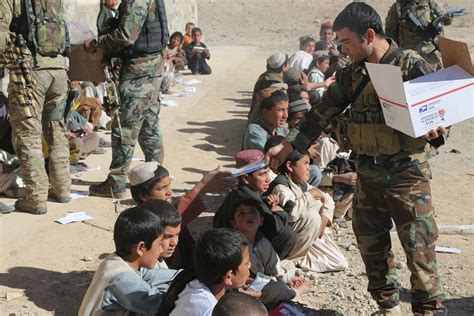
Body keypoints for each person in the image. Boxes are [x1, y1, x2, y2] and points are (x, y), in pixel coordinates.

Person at [278, 2, 447, 314]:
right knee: (372, 244)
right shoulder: (351, 75)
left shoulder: (411, 65)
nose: (342, 49)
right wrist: (289, 145)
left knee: (419, 248)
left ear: (369, 35)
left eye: (346, 42)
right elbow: (319, 114)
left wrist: (437, 127)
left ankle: (428, 310)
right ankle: (387, 306)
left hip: (407, 175)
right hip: (367, 173)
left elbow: (442, 115)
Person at [86, 0, 169, 198]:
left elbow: (126, 35)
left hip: (140, 70)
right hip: (151, 67)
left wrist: (99, 44)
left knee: (125, 127)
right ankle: (156, 176)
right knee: (148, 122)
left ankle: (116, 182)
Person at [8, 0, 71, 214]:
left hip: (30, 71)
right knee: (57, 131)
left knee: (29, 135)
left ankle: (35, 198)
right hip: (59, 69)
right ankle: (62, 189)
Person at [128, 161, 235, 268]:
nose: (169, 192)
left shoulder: (161, 209)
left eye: (168, 185)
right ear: (143, 196)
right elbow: (179, 211)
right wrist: (202, 186)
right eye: (161, 188)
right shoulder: (144, 220)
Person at [79, 206, 179, 315]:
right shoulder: (121, 280)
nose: (160, 250)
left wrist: (190, 275)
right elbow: (160, 305)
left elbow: (160, 276)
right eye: (159, 244)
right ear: (140, 248)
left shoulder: (122, 261)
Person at [270, 149, 348, 273]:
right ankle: (291, 260)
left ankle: (302, 256)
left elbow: (328, 199)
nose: (309, 168)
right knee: (312, 216)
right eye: (305, 163)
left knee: (339, 262)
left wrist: (324, 218)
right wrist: (311, 195)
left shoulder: (302, 184)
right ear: (290, 166)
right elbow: (292, 214)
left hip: (304, 235)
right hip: (286, 240)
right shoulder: (281, 186)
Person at [214, 149, 296, 260]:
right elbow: (274, 227)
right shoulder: (246, 196)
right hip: (233, 250)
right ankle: (267, 266)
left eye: (267, 172)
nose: (267, 179)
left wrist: (267, 202)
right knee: (287, 234)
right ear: (245, 178)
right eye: (262, 174)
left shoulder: (242, 191)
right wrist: (280, 211)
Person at [230, 198, 310, 305]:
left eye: (252, 212)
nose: (248, 216)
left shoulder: (263, 242)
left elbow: (273, 266)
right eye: (242, 213)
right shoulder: (235, 246)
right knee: (277, 288)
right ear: (234, 223)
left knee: (288, 264)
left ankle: (287, 280)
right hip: (246, 286)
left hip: (264, 276)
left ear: (261, 220)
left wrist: (285, 277)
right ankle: (294, 292)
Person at [158, 228, 253, 316]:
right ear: (229, 276)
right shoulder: (208, 310)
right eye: (246, 263)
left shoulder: (194, 280)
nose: (250, 265)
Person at [385, 0, 451, 71]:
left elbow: (447, 21)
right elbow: (390, 33)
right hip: (409, 58)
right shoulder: (397, 7)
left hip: (431, 55)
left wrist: (439, 22)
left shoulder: (430, 3)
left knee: (437, 79)